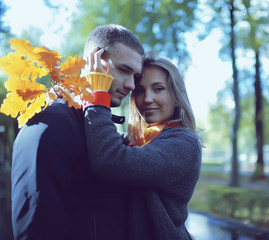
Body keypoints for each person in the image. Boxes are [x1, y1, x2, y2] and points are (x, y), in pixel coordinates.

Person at [11, 24, 144, 240]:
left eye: (136, 77)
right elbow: (36, 228)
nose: (131, 85)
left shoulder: (97, 128)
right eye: (124, 70)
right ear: (95, 62)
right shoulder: (51, 125)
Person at [83, 52, 202, 239]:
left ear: (176, 94)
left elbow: (111, 159)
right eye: (139, 91)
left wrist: (98, 97)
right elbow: (103, 142)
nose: (147, 99)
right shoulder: (142, 140)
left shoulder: (184, 143)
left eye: (158, 89)